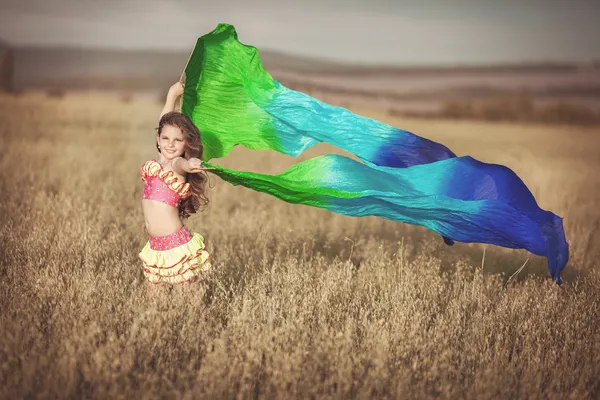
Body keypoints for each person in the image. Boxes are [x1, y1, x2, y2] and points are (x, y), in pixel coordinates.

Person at [138, 81, 212, 285]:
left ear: (186, 143)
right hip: (155, 246)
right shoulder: (159, 163)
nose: (170, 144)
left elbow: (184, 165)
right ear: (158, 139)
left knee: (188, 298)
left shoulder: (176, 165)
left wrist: (191, 164)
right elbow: (164, 121)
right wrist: (172, 96)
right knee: (156, 304)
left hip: (177, 245)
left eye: (177, 141)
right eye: (166, 138)